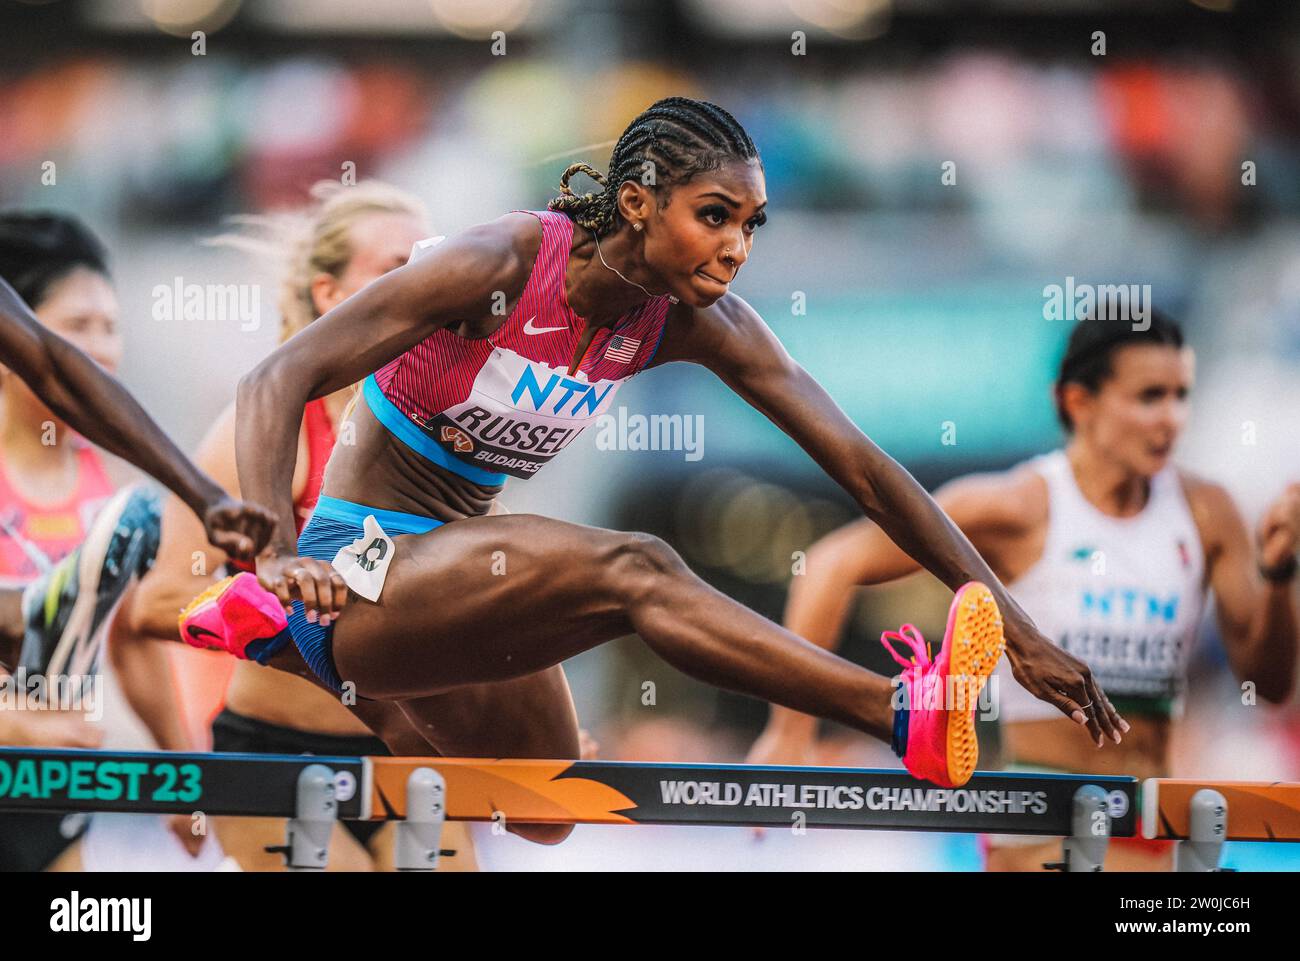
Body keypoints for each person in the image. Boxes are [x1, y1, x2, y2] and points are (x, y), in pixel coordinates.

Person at [187, 97, 1126, 846]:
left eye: (752, 224)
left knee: (549, 807)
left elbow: (866, 471)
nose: (736, 248)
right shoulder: (498, 263)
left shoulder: (690, 320)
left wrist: (1016, 627)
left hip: (451, 574)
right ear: (636, 201)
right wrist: (269, 556)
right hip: (356, 568)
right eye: (714, 216)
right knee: (639, 566)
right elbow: (277, 376)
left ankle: (372, 699)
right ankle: (897, 711)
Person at [747, 309, 1299, 870]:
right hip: (1040, 818)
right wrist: (789, 732)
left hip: (1149, 820)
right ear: (1078, 402)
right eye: (1149, 397)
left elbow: (1268, 685)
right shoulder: (1018, 506)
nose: (1170, 420)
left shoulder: (1208, 511)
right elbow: (829, 563)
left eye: (1181, 396)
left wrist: (1279, 577)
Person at [118, 180, 482, 870]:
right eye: (396, 268)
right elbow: (159, 601)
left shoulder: (451, 429)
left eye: (432, 263)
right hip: (276, 748)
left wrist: (522, 717)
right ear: (328, 293)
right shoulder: (264, 430)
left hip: (405, 751)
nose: (428, 284)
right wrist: (299, 617)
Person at [0, 211, 270, 872]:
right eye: (76, 328)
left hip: (47, 800)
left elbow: (127, 636)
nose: (99, 351)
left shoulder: (109, 492)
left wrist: (181, 766)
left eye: (110, 327)